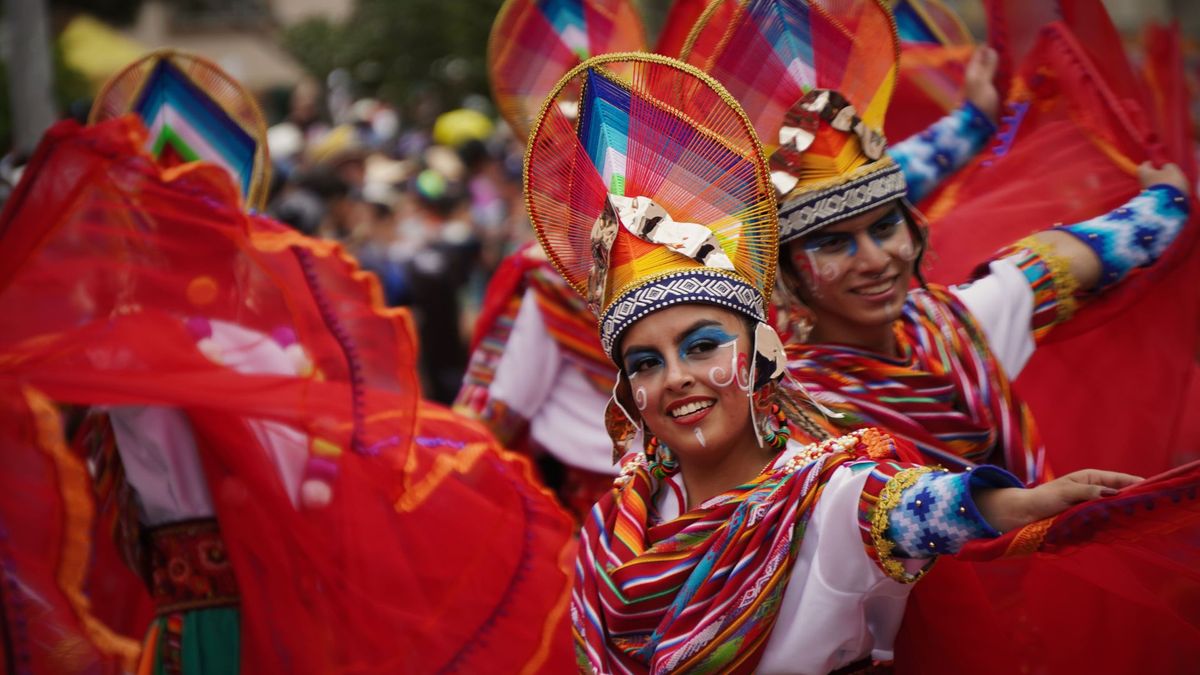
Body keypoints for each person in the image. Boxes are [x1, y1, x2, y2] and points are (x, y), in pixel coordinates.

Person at [524, 52, 1157, 675]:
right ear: (628, 393)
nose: (677, 376)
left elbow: (913, 507)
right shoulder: (613, 527)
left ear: (760, 353)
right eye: (645, 362)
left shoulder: (824, 495)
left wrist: (1020, 505)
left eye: (701, 346)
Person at [681, 0, 1192, 484]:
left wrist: (1167, 197)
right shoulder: (778, 412)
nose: (878, 259)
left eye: (886, 228)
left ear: (912, 227)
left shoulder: (959, 324)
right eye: (834, 244)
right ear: (785, 276)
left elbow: (1099, 247)